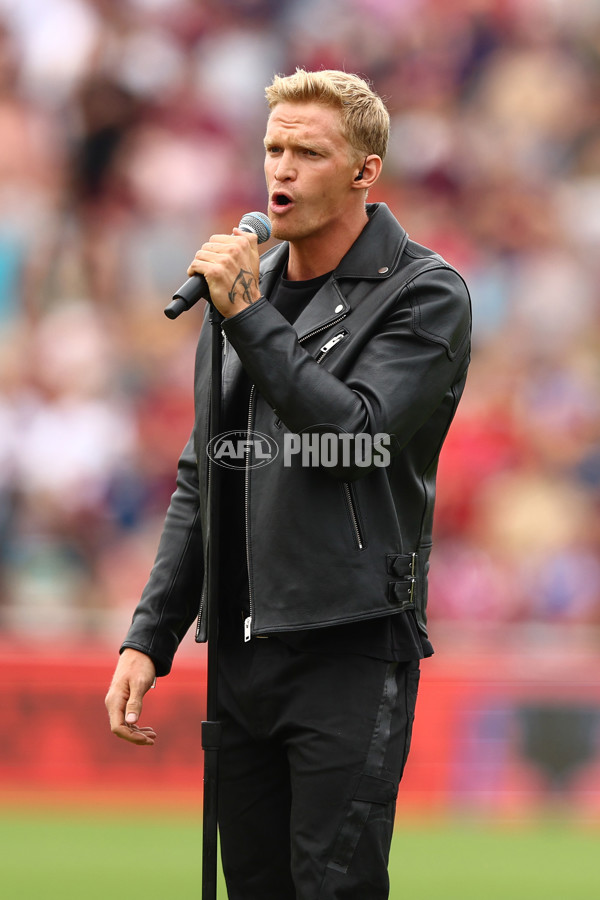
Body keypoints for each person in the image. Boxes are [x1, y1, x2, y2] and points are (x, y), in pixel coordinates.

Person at [105, 68, 472, 899]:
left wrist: (247, 319)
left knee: (332, 887)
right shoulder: (250, 292)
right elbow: (205, 475)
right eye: (273, 148)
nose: (282, 169)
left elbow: (355, 434)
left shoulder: (424, 293)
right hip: (242, 648)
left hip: (350, 642)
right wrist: (148, 636)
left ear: (364, 171)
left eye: (309, 152)